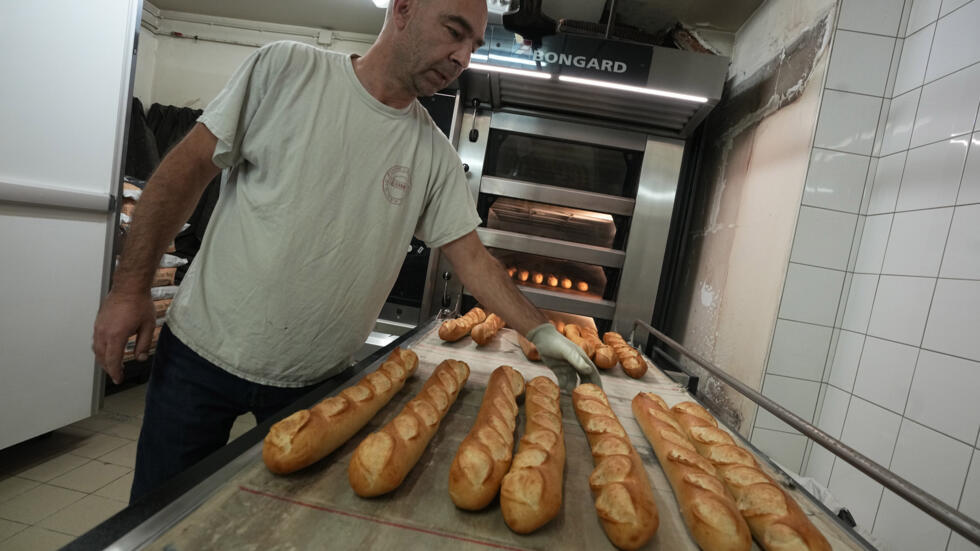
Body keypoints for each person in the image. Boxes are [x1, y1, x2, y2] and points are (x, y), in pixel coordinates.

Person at [92, 0, 599, 503]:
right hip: (199, 358)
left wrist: (539, 330)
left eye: (473, 45)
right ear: (402, 10)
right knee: (160, 515)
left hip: (318, 386)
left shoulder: (433, 156)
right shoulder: (286, 70)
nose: (462, 57)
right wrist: (129, 289)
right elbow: (184, 174)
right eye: (454, 31)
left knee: (279, 529)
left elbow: (473, 261)